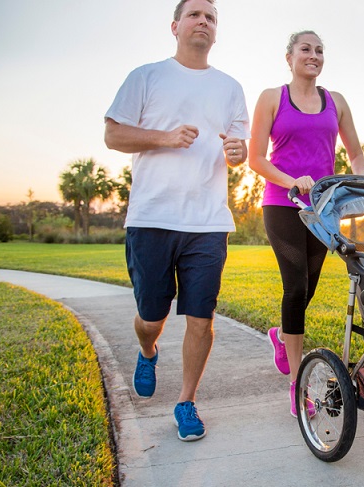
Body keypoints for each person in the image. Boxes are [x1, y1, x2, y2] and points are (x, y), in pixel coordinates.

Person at [103, 0, 249, 442]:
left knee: (201, 318)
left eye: (211, 17)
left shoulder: (229, 87)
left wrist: (239, 154)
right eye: (195, 15)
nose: (204, 21)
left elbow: (238, 146)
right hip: (152, 217)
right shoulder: (145, 76)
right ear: (175, 26)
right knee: (151, 316)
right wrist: (165, 137)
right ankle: (148, 350)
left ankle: (185, 401)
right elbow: (113, 134)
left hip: (207, 222)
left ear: (215, 32)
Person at [248, 30, 364, 416]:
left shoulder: (337, 102)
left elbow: (355, 153)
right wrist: (290, 180)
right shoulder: (271, 98)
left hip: (322, 208)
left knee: (308, 286)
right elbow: (256, 159)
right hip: (282, 203)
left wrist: (357, 188)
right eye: (305, 49)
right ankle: (298, 385)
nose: (313, 55)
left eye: (319, 50)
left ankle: (282, 336)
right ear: (289, 57)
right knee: (295, 282)